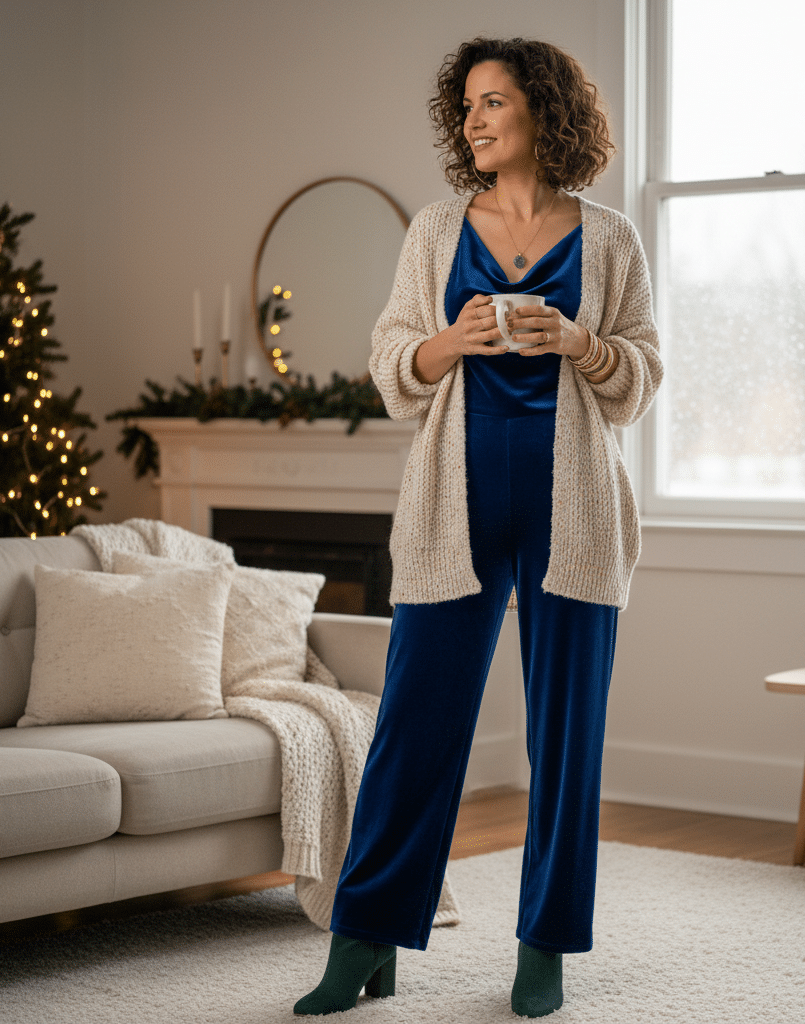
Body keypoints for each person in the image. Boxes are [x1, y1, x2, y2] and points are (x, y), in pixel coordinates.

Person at [294, 36, 663, 1018]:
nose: (472, 120)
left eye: (492, 101)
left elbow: (638, 385)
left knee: (564, 740)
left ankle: (543, 945)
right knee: (412, 731)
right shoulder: (431, 232)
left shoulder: (611, 239)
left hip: (574, 521)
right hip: (447, 518)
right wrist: (441, 345)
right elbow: (390, 374)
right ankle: (365, 933)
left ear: (542, 109)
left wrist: (581, 343)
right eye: (465, 107)